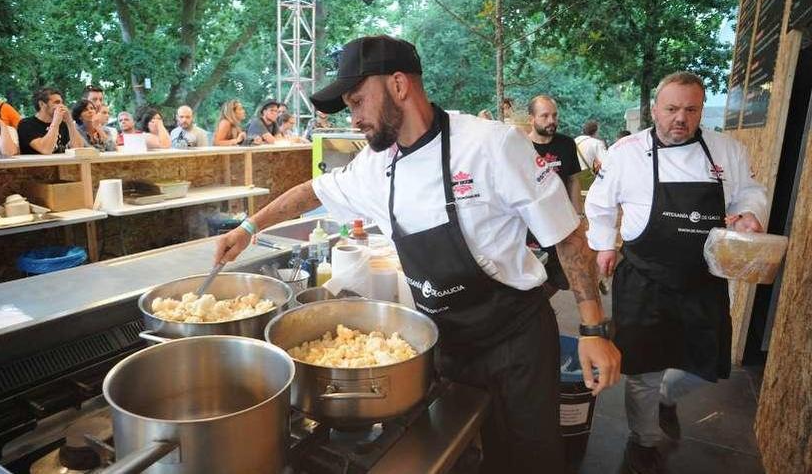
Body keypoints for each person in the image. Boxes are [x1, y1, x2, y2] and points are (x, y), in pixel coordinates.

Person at [214, 35, 620, 474]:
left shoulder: (491, 145)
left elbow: (568, 236)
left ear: (399, 85)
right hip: (448, 346)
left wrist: (593, 327)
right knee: (464, 452)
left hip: (514, 341)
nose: (355, 118)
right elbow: (311, 192)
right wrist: (249, 227)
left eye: (357, 101)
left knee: (529, 460)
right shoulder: (374, 166)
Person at [585, 72, 768, 474]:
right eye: (671, 109)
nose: (680, 118)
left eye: (690, 109)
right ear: (655, 110)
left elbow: (749, 191)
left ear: (701, 110)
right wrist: (602, 245)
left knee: (706, 362)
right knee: (642, 368)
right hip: (644, 276)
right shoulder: (626, 152)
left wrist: (751, 214)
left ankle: (669, 394)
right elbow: (599, 204)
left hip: (703, 277)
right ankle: (645, 439)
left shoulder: (725, 150)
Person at [17, 87, 83, 154]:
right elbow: (46, 149)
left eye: (62, 103)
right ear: (42, 104)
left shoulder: (62, 124)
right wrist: (55, 123)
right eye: (57, 102)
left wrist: (69, 122)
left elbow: (78, 148)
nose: (62, 106)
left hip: (61, 163)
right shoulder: (26, 124)